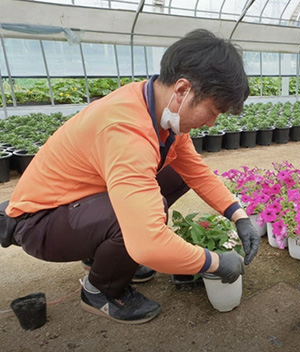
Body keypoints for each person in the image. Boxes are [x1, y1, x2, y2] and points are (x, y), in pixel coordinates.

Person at [3, 29, 260, 324]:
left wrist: (239, 216)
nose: (211, 122)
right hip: (39, 222)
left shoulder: (158, 110)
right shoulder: (126, 129)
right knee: (141, 218)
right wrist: (214, 262)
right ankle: (100, 291)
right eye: (212, 111)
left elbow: (196, 172)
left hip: (76, 206)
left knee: (177, 175)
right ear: (182, 90)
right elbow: (148, 242)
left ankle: (106, 257)